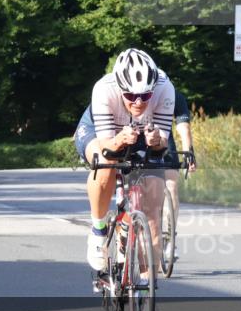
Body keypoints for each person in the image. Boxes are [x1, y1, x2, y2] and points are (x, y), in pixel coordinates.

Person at [74, 48, 174, 273]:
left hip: (139, 133)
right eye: (130, 96)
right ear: (120, 88)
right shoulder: (104, 89)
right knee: (106, 164)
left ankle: (145, 284)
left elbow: (162, 145)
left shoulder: (165, 86)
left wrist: (156, 139)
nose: (138, 102)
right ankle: (98, 231)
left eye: (145, 96)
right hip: (101, 133)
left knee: (153, 187)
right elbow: (107, 146)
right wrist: (119, 140)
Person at [164, 89, 197, 226]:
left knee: (171, 185)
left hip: (162, 136)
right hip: (132, 135)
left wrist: (189, 155)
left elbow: (184, 129)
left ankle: (169, 235)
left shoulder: (171, 93)